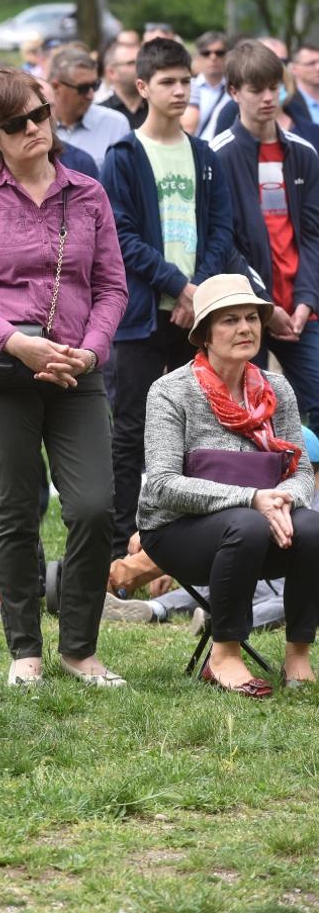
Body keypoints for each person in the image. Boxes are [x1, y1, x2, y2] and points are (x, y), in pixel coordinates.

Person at [0, 69, 128, 688]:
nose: (33, 129)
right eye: (17, 123)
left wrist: (92, 352)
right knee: (18, 512)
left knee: (95, 507)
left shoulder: (89, 194)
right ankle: (26, 649)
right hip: (3, 371)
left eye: (40, 115)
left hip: (76, 372)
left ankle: (79, 648)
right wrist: (19, 344)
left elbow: (111, 287)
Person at [138, 273, 319, 695]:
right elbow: (162, 485)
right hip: (176, 531)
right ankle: (224, 655)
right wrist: (253, 498)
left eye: (252, 318)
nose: (245, 328)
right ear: (204, 334)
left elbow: (302, 471)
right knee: (246, 522)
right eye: (230, 320)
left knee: (312, 525)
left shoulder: (277, 388)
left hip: (263, 523)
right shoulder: (170, 391)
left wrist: (282, 501)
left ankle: (297, 654)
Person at [103, 36, 239, 560]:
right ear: (143, 87)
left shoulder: (204, 154)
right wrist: (176, 285)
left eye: (186, 81)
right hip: (141, 316)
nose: (181, 90)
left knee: (198, 428)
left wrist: (197, 290)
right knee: (131, 428)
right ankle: (120, 545)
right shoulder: (124, 156)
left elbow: (221, 229)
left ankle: (192, 541)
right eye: (168, 82)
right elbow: (122, 233)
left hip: (195, 316)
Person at [211, 40, 319, 427]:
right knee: (245, 415)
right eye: (258, 90)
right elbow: (224, 242)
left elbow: (312, 235)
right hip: (245, 308)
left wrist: (305, 299)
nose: (269, 98)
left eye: (275, 87)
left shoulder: (304, 152)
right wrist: (263, 305)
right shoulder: (217, 155)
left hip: (302, 309)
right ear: (235, 92)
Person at [48, 45, 130, 170]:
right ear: (56, 86)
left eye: (95, 85)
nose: (91, 95)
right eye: (83, 88)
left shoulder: (115, 124)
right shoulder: (39, 128)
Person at [184, 31, 231, 137]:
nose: (213, 58)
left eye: (219, 53)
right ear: (198, 57)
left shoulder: (235, 89)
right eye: (206, 53)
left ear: (227, 56)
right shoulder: (186, 88)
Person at [100, 39, 147, 129]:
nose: (140, 67)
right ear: (111, 72)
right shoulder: (101, 114)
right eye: (131, 63)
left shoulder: (158, 110)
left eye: (142, 62)